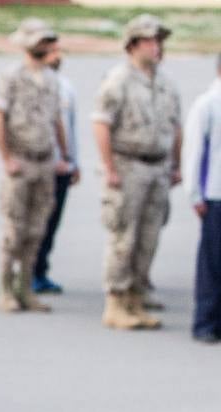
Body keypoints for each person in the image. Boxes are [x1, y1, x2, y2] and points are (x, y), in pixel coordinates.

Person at [92, 14, 182, 331]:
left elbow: (176, 126)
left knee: (149, 236)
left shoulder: (165, 82)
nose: (156, 47)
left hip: (158, 166)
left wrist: (177, 164)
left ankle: (135, 296)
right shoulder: (118, 80)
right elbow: (101, 124)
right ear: (132, 45)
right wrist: (109, 168)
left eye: (159, 41)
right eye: (149, 41)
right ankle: (115, 301)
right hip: (129, 165)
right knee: (123, 237)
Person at [0, 18, 71, 314]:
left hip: (45, 162)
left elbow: (57, 120)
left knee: (37, 229)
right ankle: (6, 288)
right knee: (14, 229)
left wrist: (63, 155)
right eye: (39, 40)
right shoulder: (11, 76)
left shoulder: (51, 78)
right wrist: (6, 157)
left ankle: (26, 287)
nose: (45, 45)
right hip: (21, 161)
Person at [32, 41, 81, 295]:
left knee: (52, 222)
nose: (57, 57)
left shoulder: (66, 86)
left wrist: (75, 162)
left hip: (63, 166)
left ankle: (40, 270)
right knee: (34, 222)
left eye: (60, 51)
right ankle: (28, 272)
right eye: (52, 52)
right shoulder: (32, 85)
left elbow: (70, 127)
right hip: (40, 166)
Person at [182, 53, 221, 344]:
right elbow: (193, 151)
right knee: (213, 262)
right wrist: (194, 192)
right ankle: (205, 322)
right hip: (215, 194)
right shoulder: (208, 104)